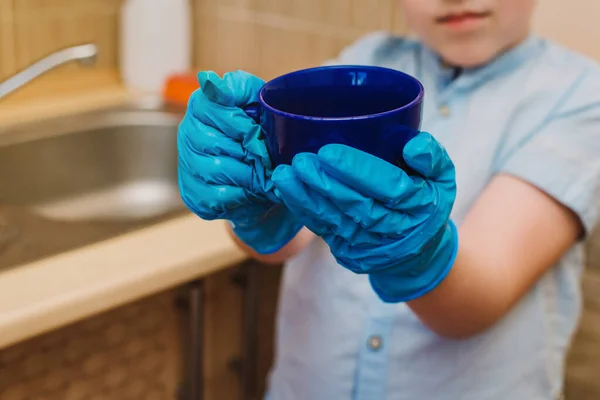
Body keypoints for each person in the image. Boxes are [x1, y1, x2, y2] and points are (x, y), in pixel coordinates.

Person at [177, 0, 600, 398]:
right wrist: (255, 208)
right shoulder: (363, 59)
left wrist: (421, 258)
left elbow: (479, 301)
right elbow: (284, 244)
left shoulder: (580, 95)